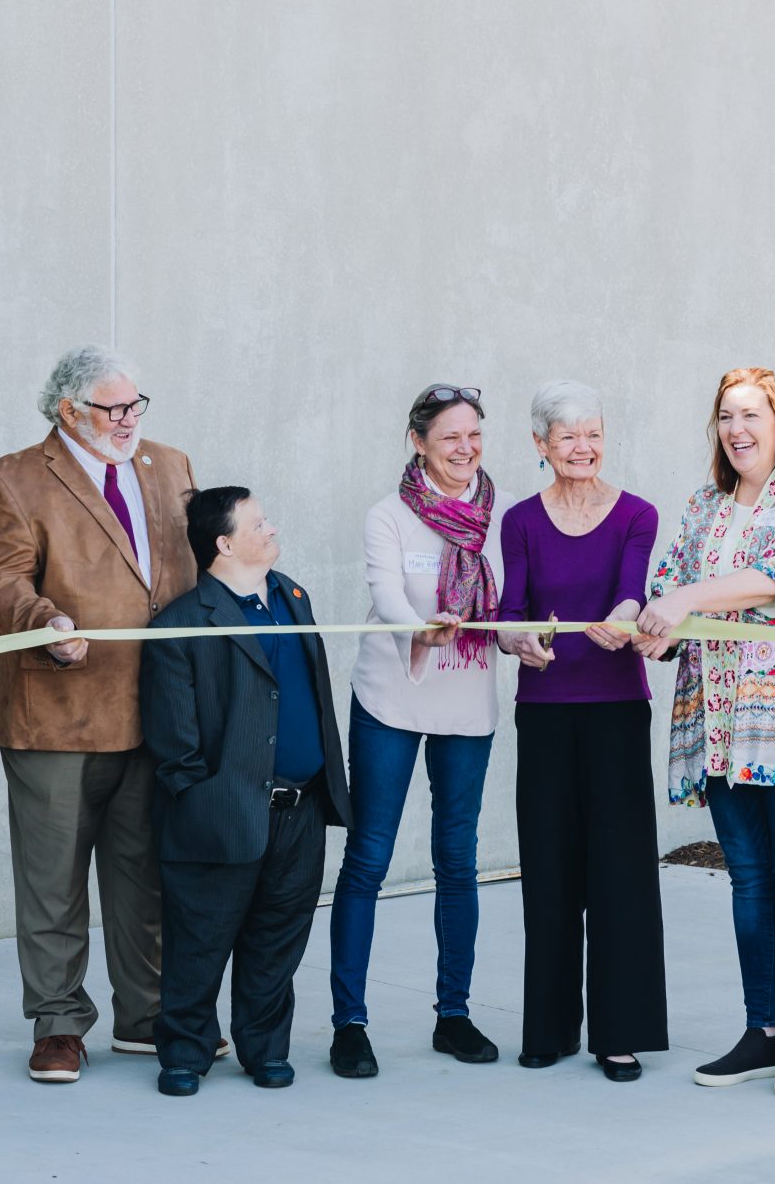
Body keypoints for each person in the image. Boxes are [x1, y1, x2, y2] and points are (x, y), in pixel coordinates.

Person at [0, 346, 199, 1083]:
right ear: (70, 410)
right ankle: (59, 1023)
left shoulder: (170, 464)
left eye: (137, 405)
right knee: (53, 880)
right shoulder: (11, 479)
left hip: (154, 711)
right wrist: (44, 618)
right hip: (57, 714)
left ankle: (146, 1014)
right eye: (115, 408)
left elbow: (194, 570)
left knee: (145, 878)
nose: (131, 420)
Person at [635, 366, 775, 1099]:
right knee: (750, 881)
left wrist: (686, 598)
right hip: (721, 724)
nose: (737, 429)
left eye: (752, 414)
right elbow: (662, 589)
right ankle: (761, 1028)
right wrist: (632, 617)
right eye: (726, 416)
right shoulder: (703, 506)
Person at [141, 487, 352, 1097]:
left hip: (301, 807)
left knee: (276, 940)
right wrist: (204, 798)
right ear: (224, 543)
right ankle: (184, 1050)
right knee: (200, 941)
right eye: (258, 523)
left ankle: (265, 1048)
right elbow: (173, 741)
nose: (271, 528)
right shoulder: (180, 624)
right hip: (219, 812)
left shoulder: (293, 596)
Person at [328, 383, 504, 1077]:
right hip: (391, 695)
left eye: (474, 435)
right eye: (450, 437)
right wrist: (422, 627)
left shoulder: (500, 516)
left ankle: (452, 1014)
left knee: (456, 859)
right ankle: (350, 1022)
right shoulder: (389, 515)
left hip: (467, 700)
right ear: (418, 442)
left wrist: (523, 642)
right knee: (368, 858)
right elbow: (386, 594)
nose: (465, 449)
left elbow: (511, 605)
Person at [496, 381, 667, 1082]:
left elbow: (632, 585)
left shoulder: (636, 513)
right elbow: (509, 610)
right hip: (543, 710)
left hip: (616, 707)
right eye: (566, 436)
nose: (582, 447)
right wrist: (517, 641)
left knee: (620, 870)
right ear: (540, 445)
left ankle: (619, 1032)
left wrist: (625, 615)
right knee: (550, 865)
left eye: (592, 433)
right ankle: (551, 1024)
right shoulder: (519, 520)